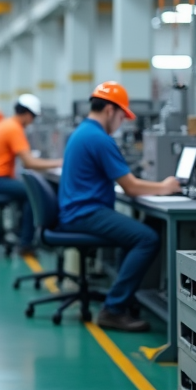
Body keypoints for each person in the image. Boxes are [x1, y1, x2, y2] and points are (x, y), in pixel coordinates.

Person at [59, 81, 181, 332]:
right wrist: (165, 187)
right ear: (109, 111)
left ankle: (122, 298)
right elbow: (131, 187)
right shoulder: (99, 139)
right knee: (146, 238)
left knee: (136, 234)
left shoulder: (82, 132)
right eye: (122, 116)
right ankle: (113, 310)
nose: (122, 123)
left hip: (77, 210)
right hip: (85, 213)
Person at [0, 94, 62, 254]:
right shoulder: (14, 128)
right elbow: (29, 163)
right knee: (33, 194)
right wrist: (58, 163)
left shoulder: (5, 123)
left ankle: (24, 234)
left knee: (28, 191)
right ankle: (26, 243)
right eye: (33, 117)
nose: (33, 121)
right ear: (28, 114)